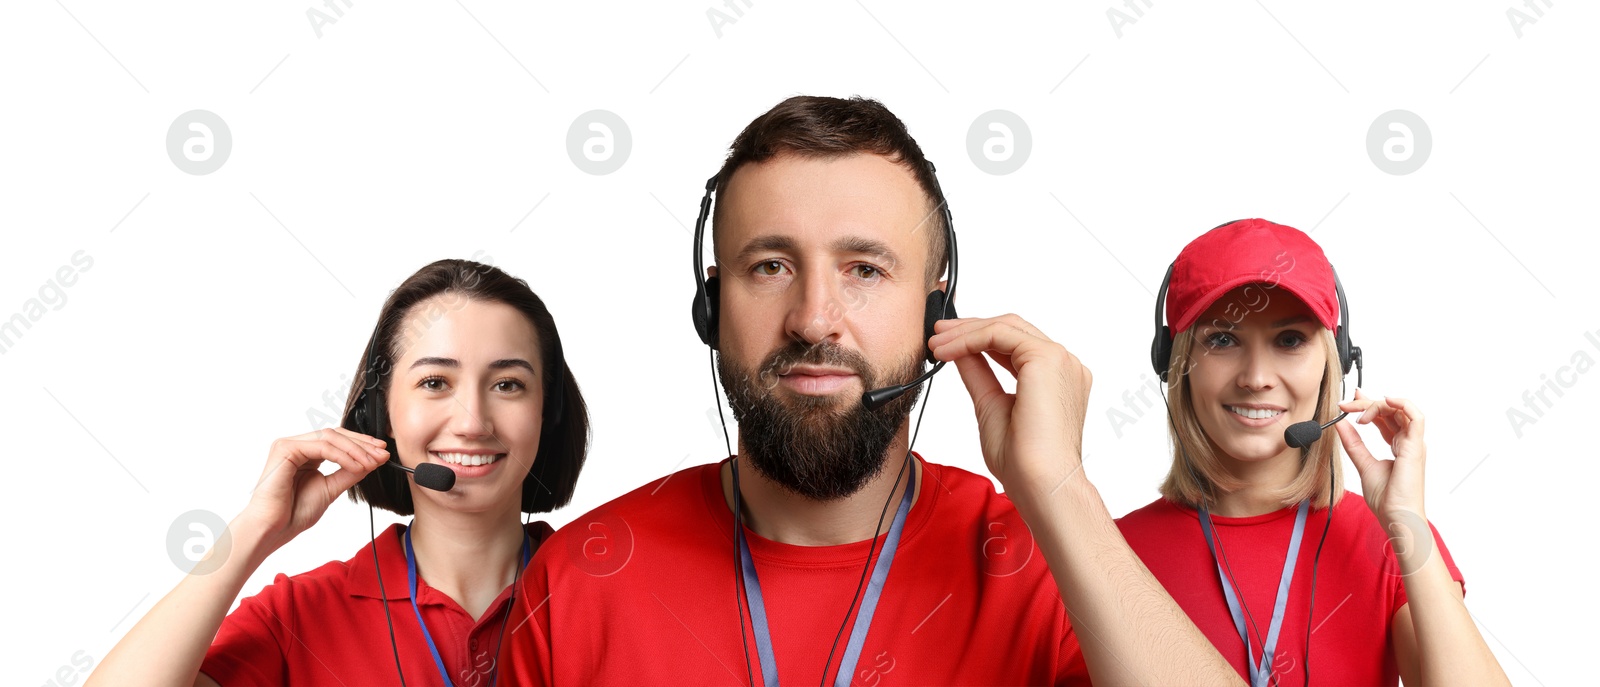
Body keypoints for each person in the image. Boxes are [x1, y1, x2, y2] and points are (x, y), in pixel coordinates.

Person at [499, 96, 1240, 685]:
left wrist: (1060, 486)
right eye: (770, 266)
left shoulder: (1051, 564)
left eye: (864, 269)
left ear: (936, 313)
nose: (815, 318)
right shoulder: (582, 579)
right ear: (711, 309)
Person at [88, 259, 589, 687]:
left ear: (549, 411)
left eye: (507, 384)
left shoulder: (607, 592)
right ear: (381, 413)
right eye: (435, 381)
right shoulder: (297, 616)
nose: (472, 421)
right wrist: (253, 531)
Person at [1116, 219, 1510, 686]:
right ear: (1174, 362)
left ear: (1335, 361)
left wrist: (1407, 521)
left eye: (1289, 340)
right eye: (1222, 339)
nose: (1256, 376)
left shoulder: (1388, 541)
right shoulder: (1107, 551)